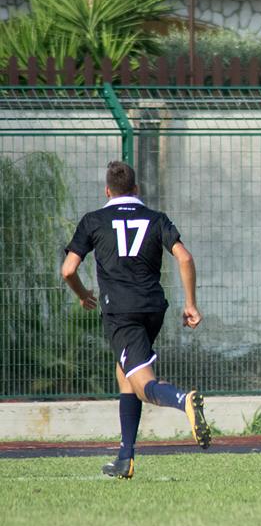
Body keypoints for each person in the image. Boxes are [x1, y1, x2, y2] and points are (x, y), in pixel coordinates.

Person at [61, 161, 211, 479]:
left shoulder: (94, 221)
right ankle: (125, 458)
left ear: (107, 191)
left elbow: (68, 270)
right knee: (125, 372)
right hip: (153, 308)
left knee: (143, 385)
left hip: (121, 313)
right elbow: (184, 257)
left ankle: (183, 399)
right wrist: (191, 304)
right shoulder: (156, 219)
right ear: (136, 190)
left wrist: (81, 293)